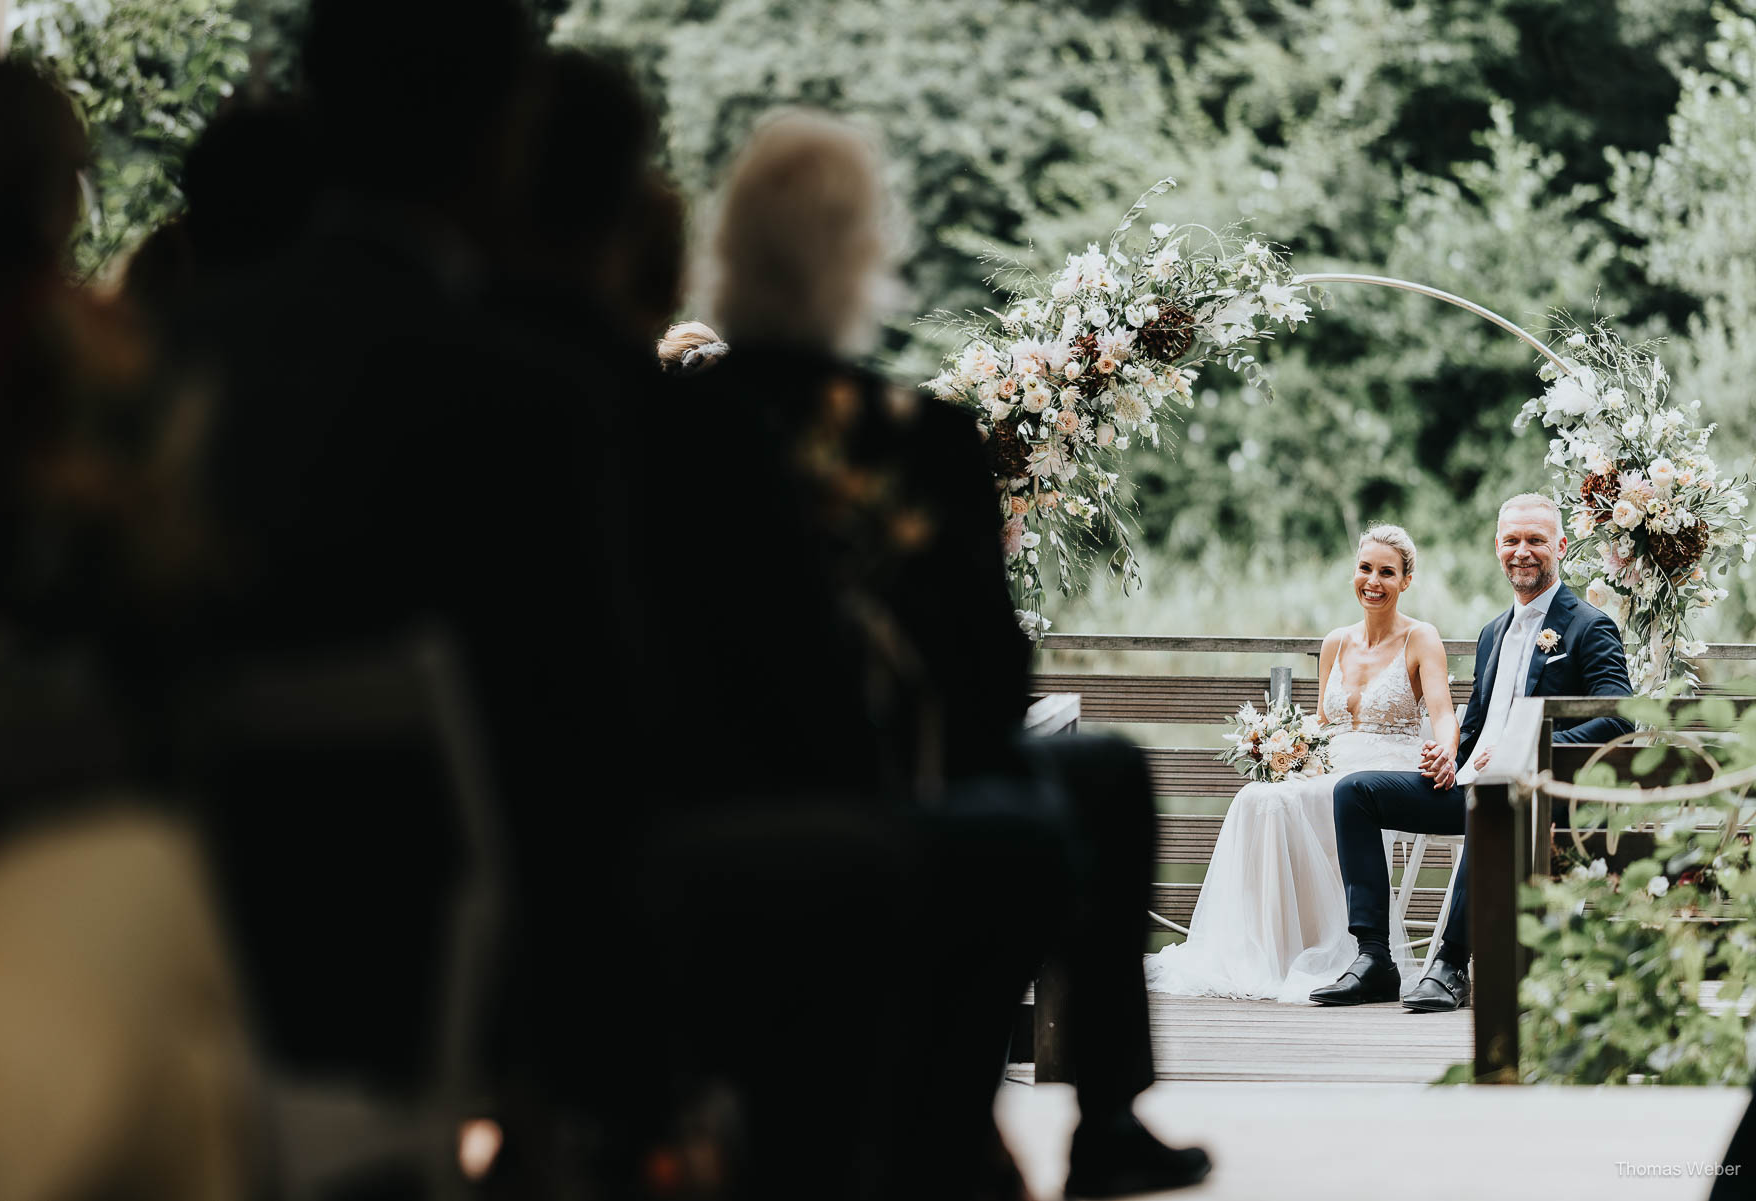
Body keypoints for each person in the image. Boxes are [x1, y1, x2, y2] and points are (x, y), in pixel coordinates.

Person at [685, 108, 1209, 1199]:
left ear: (727, 254)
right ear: (860, 261)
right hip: (883, 795)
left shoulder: (658, 425)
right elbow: (989, 688)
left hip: (701, 789)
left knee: (1074, 782)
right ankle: (1082, 1119)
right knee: (1094, 779)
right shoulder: (912, 435)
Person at [1315, 492, 1635, 1010]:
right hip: (1470, 784)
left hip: (1536, 789)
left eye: (1535, 540)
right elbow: (1477, 722)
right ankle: (1374, 957)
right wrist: (1450, 755)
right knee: (1355, 792)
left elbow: (1618, 717)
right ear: (1497, 547)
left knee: (1494, 794)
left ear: (1560, 545)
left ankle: (1451, 963)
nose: (1522, 551)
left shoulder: (1588, 626)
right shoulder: (1493, 632)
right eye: (1512, 540)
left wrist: (1527, 748)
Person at [1147, 524, 1454, 1002]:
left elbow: (1444, 714)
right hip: (1332, 759)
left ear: (1405, 580)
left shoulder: (1421, 638)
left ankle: (1350, 950)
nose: (1373, 581)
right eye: (1365, 568)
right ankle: (1271, 952)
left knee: (1311, 799)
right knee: (1258, 797)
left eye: (1387, 573)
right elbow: (1321, 721)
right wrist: (1285, 747)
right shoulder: (1334, 642)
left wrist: (1447, 752)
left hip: (1387, 764)